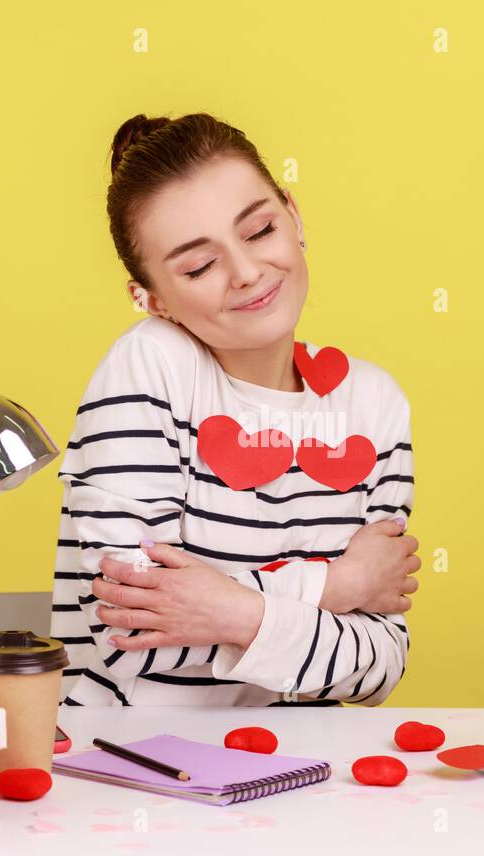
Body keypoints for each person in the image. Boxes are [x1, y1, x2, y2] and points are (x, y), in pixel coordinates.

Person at [49, 112, 418, 706]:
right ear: (152, 299)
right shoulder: (150, 365)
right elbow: (130, 632)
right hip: (134, 763)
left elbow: (379, 666)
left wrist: (224, 609)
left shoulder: (373, 402)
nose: (247, 273)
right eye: (199, 266)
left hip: (306, 771)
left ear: (294, 216)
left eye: (259, 231)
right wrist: (340, 583)